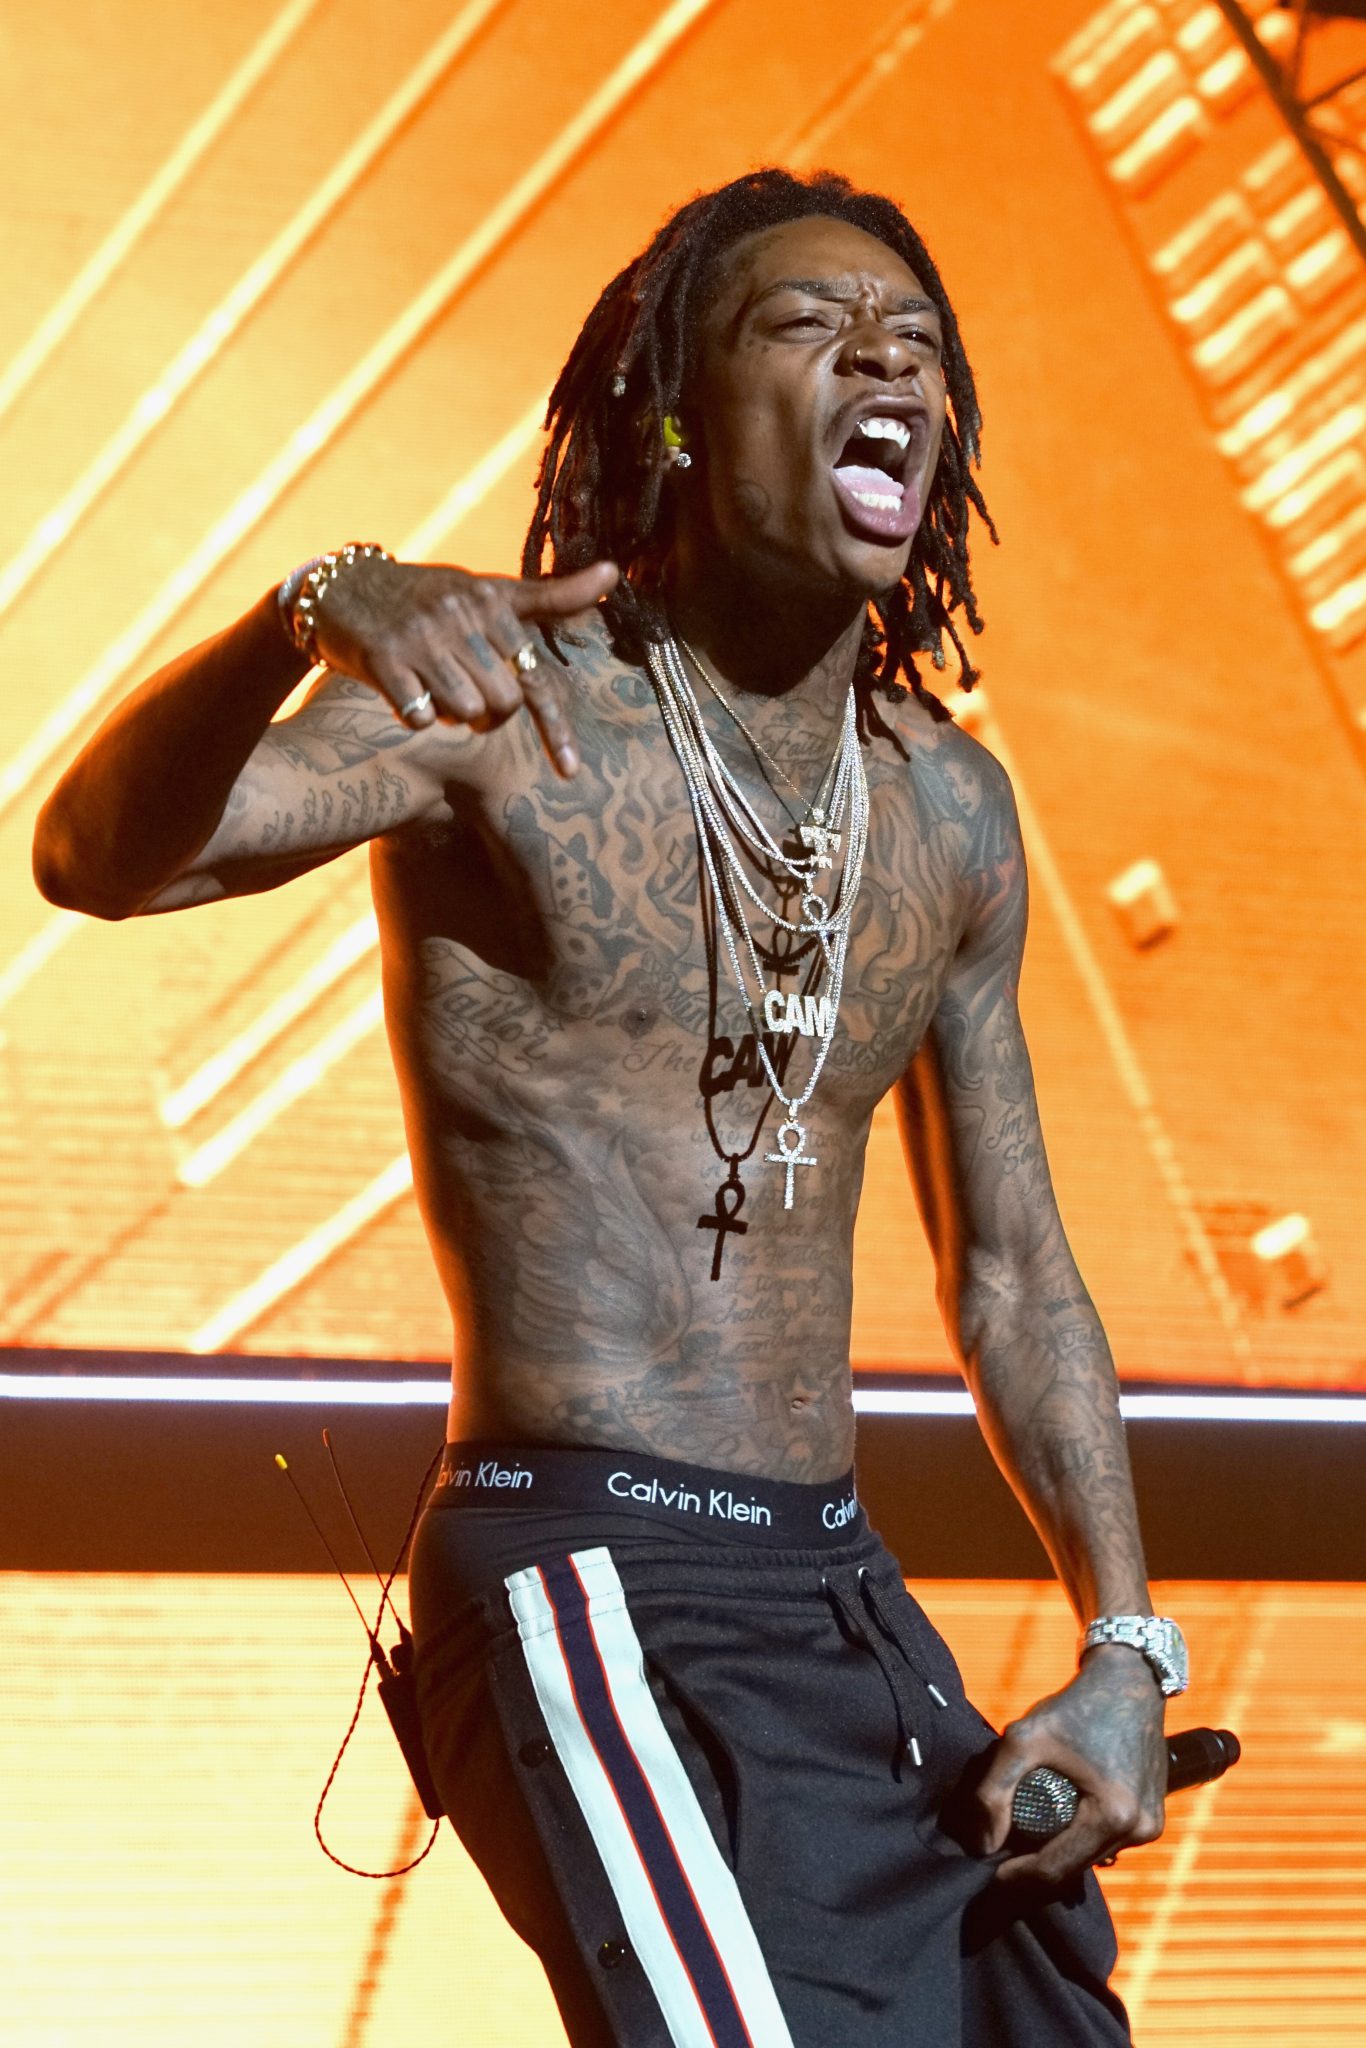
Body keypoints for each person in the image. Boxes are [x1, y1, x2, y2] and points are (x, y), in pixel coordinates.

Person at [34, 168, 1185, 2046]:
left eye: (913, 342)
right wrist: (302, 611)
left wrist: (1126, 1647)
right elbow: (95, 859)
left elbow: (1016, 1278)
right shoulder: (504, 709)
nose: (881, 359)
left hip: (839, 1591)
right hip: (588, 1570)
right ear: (672, 419)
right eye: (806, 327)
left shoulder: (948, 810)